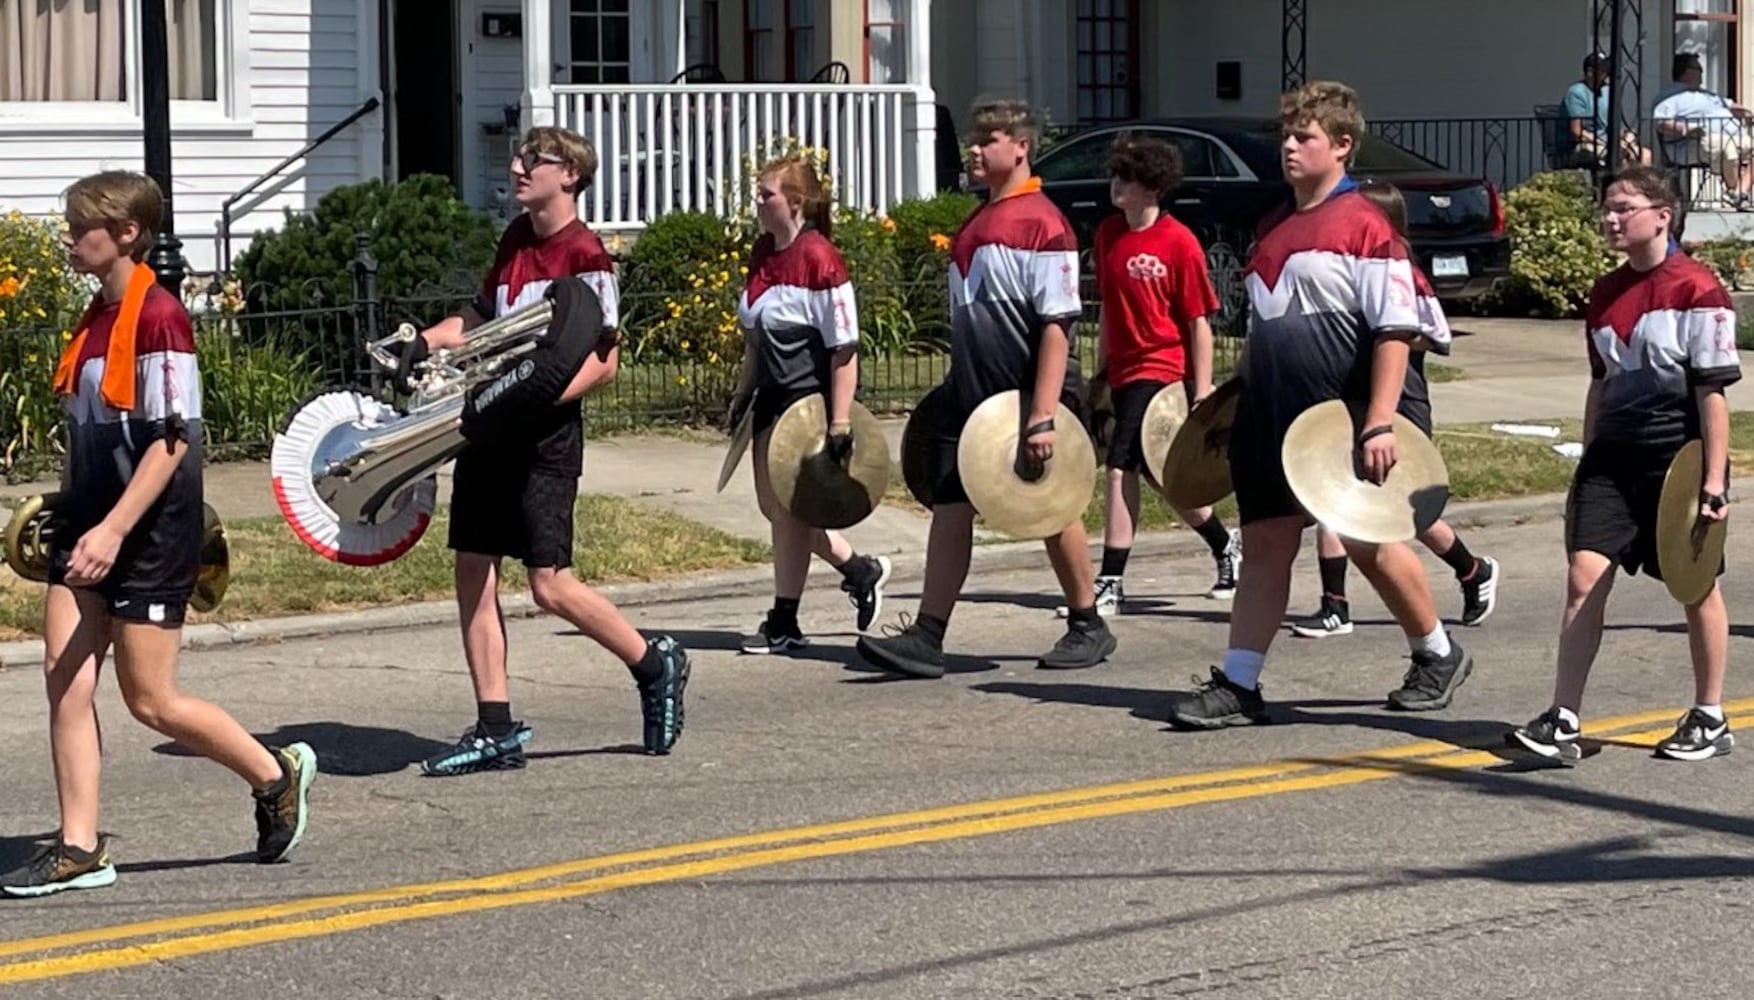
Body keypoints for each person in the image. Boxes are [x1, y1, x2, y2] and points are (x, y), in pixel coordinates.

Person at [1, 171, 315, 897]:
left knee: (151, 701)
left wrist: (113, 529)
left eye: (82, 228)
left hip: (144, 536)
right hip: (84, 530)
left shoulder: (160, 317)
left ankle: (275, 773)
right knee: (65, 683)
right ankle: (79, 847)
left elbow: (171, 442)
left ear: (127, 234)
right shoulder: (96, 318)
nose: (70, 238)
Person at [1164, 81, 1474, 730]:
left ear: (1341, 146)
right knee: (1267, 543)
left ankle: (1437, 654)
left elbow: (1397, 329)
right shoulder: (1275, 226)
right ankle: (1240, 684)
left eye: (1304, 137)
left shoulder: (1364, 224)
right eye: (1286, 135)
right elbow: (1264, 333)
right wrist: (1228, 404)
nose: (1289, 147)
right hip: (1270, 419)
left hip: (1341, 420)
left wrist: (1380, 421)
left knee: (1370, 544)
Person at [399, 126, 689, 775]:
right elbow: (477, 322)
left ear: (572, 176)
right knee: (473, 569)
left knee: (549, 586)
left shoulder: (585, 257)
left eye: (536, 160)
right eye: (521, 156)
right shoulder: (514, 241)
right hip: (487, 427)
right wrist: (424, 341)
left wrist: (536, 399)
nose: (518, 166)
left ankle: (653, 660)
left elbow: (605, 360)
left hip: (544, 439)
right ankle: (495, 728)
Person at [856, 97, 1118, 678]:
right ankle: (928, 635)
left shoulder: (1042, 224)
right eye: (974, 140)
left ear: (1021, 147)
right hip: (971, 397)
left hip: (1029, 397)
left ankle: (1087, 622)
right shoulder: (977, 223)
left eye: (989, 139)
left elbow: (1057, 328)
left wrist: (1043, 415)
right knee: (951, 505)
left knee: (1050, 506)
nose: (975, 149)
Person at [1508, 165, 1739, 764]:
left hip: (1679, 462)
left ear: (1663, 215)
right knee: (1583, 579)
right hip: (1611, 463)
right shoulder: (1605, 294)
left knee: (1695, 587)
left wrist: (1713, 483)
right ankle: (1563, 719)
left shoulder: (1697, 289)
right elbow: (1600, 383)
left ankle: (1710, 715)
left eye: (1625, 207)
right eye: (1607, 209)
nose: (1611, 218)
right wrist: (1588, 460)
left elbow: (1712, 395)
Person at [1290, 179, 1499, 639]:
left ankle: (1467, 572)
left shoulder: (1400, 267)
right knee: (1337, 499)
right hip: (1351, 402)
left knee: (1397, 512)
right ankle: (1338, 604)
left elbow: (1431, 333)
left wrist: (1382, 331)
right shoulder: (1350, 266)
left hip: (1398, 403)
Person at [727, 154, 892, 654]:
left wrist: (839, 423)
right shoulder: (762, 252)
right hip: (768, 404)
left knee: (789, 514)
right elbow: (755, 338)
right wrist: (741, 394)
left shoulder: (820, 258)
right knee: (775, 510)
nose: (757, 201)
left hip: (806, 408)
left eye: (766, 194)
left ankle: (784, 620)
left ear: (795, 202)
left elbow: (844, 348)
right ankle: (860, 570)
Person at [1079, 132, 1241, 616]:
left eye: (1126, 178)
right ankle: (1224, 544)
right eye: (1114, 175)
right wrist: (1100, 369)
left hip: (1162, 369)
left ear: (1152, 186)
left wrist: (1203, 387)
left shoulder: (1179, 242)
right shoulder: (1108, 234)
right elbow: (1108, 308)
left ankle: (1110, 579)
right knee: (1161, 476)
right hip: (1123, 372)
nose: (1116, 185)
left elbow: (1198, 322)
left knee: (1117, 468)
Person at [1653, 51, 1754, 211]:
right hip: (1692, 143)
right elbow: (1661, 122)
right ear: (1686, 71)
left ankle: (1738, 193)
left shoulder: (1707, 95)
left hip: (1732, 138)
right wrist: (1688, 129)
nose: (1702, 73)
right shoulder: (1671, 96)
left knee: (1733, 148)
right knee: (1728, 150)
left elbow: (1733, 106)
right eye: (1698, 69)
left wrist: (1747, 114)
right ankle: (1738, 196)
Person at [1561, 51, 1652, 168]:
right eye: (1603, 68)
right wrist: (1604, 143)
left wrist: (1627, 135)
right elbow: (1577, 132)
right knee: (1619, 156)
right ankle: (1619, 185)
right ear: (1590, 72)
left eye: (1607, 67)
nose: (1607, 72)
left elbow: (1612, 125)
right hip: (1585, 145)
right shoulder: (1576, 92)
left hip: (1610, 143)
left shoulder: (1607, 90)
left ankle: (1642, 186)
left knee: (1645, 154)